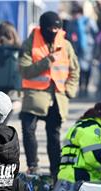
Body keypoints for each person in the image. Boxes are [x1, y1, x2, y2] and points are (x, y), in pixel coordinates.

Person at [18, 11, 80, 179]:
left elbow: (74, 71)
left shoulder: (65, 45)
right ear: (42, 27)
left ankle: (55, 172)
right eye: (50, 27)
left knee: (54, 136)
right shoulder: (30, 43)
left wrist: (70, 90)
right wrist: (47, 61)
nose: (53, 31)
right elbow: (25, 70)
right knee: (28, 130)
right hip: (35, 97)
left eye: (57, 28)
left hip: (58, 98)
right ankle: (33, 166)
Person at [57, 102, 101, 183]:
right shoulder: (93, 129)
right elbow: (94, 158)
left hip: (66, 176)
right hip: (79, 178)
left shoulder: (79, 126)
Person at [65, 3, 98, 97]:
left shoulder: (89, 21)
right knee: (77, 69)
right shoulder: (71, 23)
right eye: (74, 14)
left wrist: (95, 50)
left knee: (87, 70)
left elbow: (95, 34)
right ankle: (80, 89)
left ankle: (86, 88)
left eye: (77, 13)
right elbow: (68, 35)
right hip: (76, 50)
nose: (76, 16)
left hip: (88, 49)